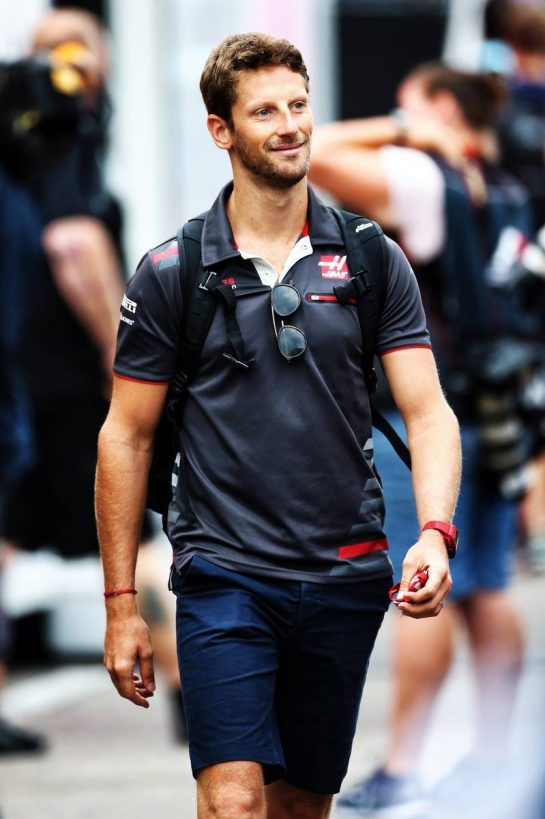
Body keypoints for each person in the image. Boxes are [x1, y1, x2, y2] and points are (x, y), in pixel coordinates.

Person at [96, 33, 461, 819]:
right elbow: (123, 436)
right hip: (224, 573)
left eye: (298, 106)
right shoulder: (172, 272)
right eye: (264, 111)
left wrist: (432, 531)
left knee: (298, 805)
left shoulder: (370, 258)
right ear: (220, 131)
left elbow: (427, 411)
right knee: (232, 800)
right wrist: (121, 601)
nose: (290, 124)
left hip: (343, 572)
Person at [310, 64, 532, 815]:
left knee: (420, 580)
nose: (392, 120)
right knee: (485, 587)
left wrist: (406, 132)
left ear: (440, 108)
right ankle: (496, 756)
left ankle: (403, 765)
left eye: (402, 106)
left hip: (429, 412)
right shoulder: (502, 183)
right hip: (498, 410)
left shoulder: (421, 174)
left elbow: (304, 151)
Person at [0, 7, 186, 743]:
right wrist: (125, 358)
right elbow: (74, 245)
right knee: (137, 531)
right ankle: (187, 692)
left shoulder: (23, 128)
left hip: (20, 368)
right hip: (72, 377)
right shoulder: (60, 129)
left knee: (8, 534)